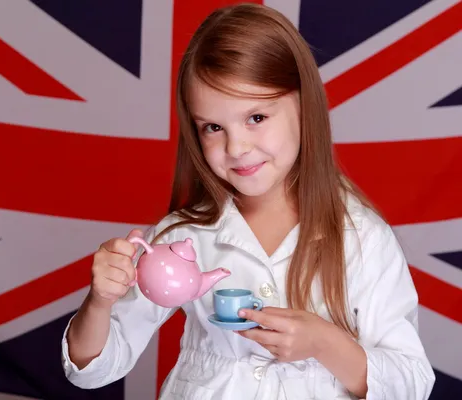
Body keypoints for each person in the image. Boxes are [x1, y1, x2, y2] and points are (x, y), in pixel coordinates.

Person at [61, 3, 435, 399]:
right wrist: (100, 302)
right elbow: (92, 371)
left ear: (304, 106)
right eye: (213, 127)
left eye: (256, 117)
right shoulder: (182, 237)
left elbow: (410, 384)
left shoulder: (362, 237)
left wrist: (326, 343)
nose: (237, 148)